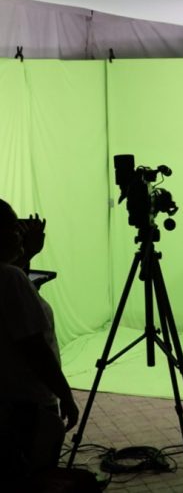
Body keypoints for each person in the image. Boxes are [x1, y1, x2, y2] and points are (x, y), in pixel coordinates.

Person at [0, 198, 79, 481]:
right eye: (13, 228)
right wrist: (65, 395)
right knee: (36, 477)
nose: (18, 234)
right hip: (27, 405)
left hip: (9, 400)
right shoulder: (11, 279)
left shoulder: (9, 276)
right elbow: (34, 348)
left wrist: (26, 254)